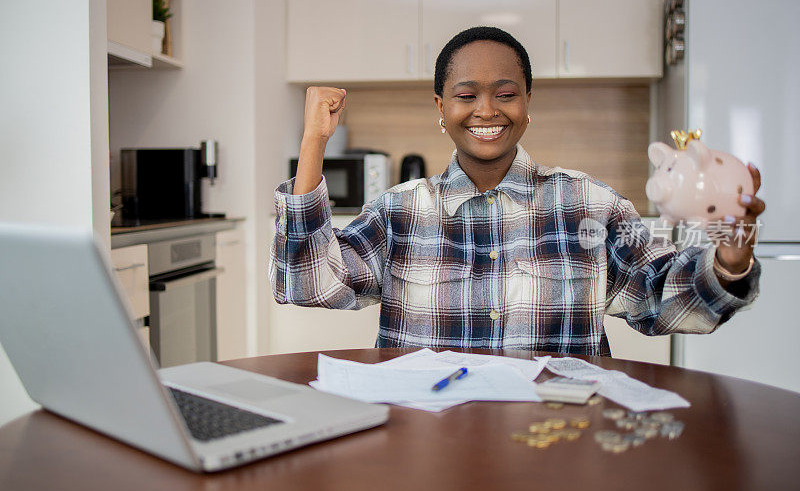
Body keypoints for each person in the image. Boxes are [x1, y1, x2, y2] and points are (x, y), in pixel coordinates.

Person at [270, 26, 764, 355]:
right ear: (441, 108)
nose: (486, 110)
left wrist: (731, 258)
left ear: (528, 103)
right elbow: (310, 281)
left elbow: (661, 295)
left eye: (506, 94)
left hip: (557, 448)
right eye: (466, 96)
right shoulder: (399, 210)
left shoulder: (589, 204)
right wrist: (314, 141)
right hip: (425, 448)